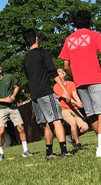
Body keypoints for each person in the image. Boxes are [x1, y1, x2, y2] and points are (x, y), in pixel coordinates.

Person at [58, 9, 101, 157]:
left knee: (91, 115)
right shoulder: (94, 35)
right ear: (89, 21)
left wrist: (76, 77)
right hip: (95, 79)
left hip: (80, 83)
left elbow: (66, 66)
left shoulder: (69, 40)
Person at [22, 29, 74, 160]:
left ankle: (49, 152)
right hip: (45, 91)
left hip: (34, 95)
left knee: (47, 123)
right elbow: (53, 72)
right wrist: (64, 90)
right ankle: (64, 150)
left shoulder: (26, 58)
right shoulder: (43, 53)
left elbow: (29, 76)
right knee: (57, 119)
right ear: (36, 38)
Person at [0, 62, 32, 162]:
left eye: (0, 66)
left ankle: (25, 150)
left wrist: (13, 96)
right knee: (1, 131)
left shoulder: (8, 77)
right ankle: (1, 153)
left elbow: (16, 87)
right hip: (1, 108)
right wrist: (4, 100)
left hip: (13, 107)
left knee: (21, 127)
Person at [53, 67, 90, 149]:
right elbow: (67, 97)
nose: (61, 72)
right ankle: (77, 144)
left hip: (74, 109)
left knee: (85, 127)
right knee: (73, 123)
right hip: (64, 109)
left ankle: (72, 138)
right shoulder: (56, 87)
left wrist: (79, 102)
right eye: (58, 72)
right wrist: (76, 102)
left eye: (62, 71)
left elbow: (74, 94)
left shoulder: (71, 83)